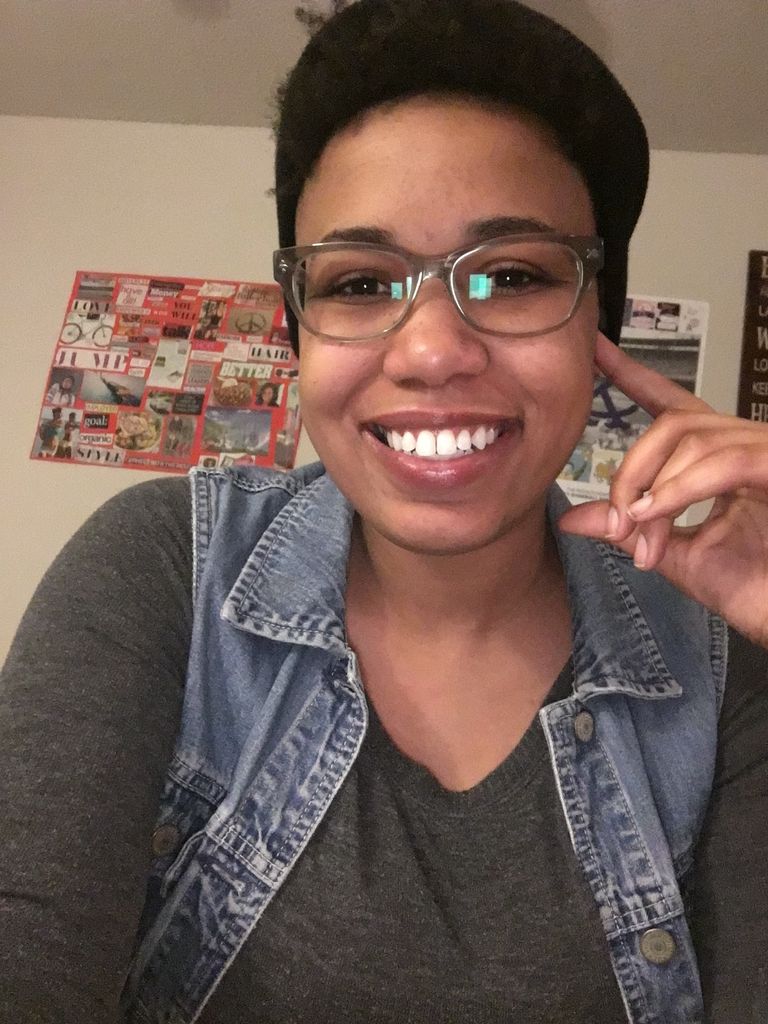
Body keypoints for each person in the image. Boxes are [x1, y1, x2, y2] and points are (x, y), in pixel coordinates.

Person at [2, 2, 767, 1023]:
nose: (433, 351)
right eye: (361, 282)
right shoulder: (161, 569)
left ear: (599, 327)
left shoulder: (721, 654)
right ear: (300, 332)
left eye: (511, 275)